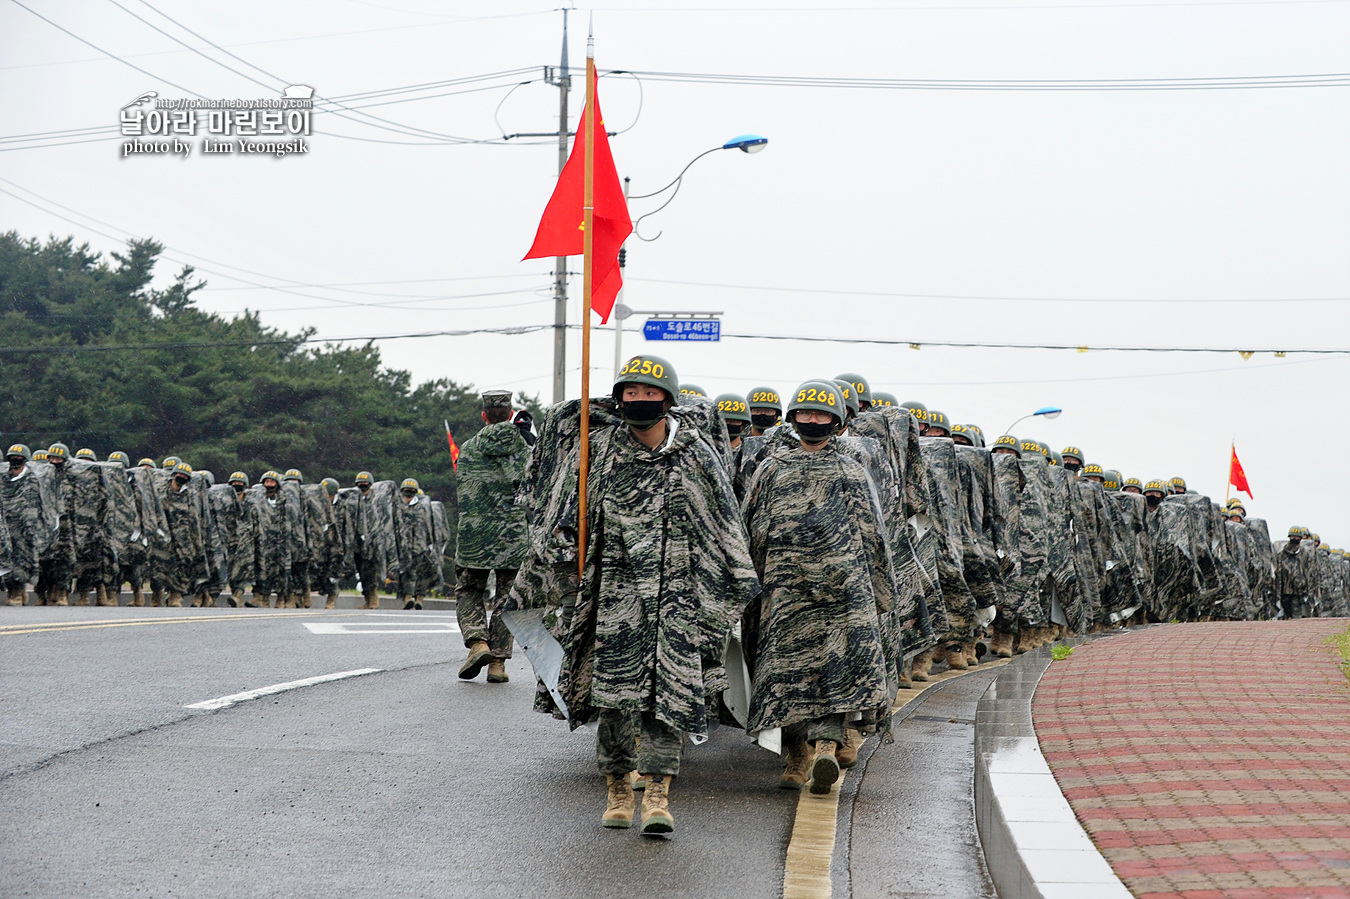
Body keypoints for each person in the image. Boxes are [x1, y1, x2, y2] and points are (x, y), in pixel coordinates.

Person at [743, 380, 895, 794]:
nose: (812, 420)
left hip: (840, 592)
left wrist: (880, 596)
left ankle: (826, 746)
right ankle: (796, 755)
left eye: (821, 414)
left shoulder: (851, 470)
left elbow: (872, 534)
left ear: (835, 421)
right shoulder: (772, 468)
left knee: (834, 672)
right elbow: (750, 527)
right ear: (792, 418)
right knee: (786, 675)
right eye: (805, 413)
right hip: (784, 591)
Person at [454, 389, 530, 683]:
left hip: (474, 532)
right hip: (512, 534)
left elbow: (464, 488)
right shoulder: (525, 450)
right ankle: (497, 663)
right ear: (511, 414)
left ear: (483, 416)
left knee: (469, 590)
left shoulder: (469, 449)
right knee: (507, 598)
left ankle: (477, 642)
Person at [3, 444, 56, 606]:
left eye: (18, 458)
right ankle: (13, 591)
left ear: (25, 460)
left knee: (23, 560)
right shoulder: (3, 479)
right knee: (7, 561)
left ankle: (18, 593)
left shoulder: (34, 479)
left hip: (27, 528)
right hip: (6, 527)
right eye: (12, 458)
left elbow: (44, 504)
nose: (15, 461)